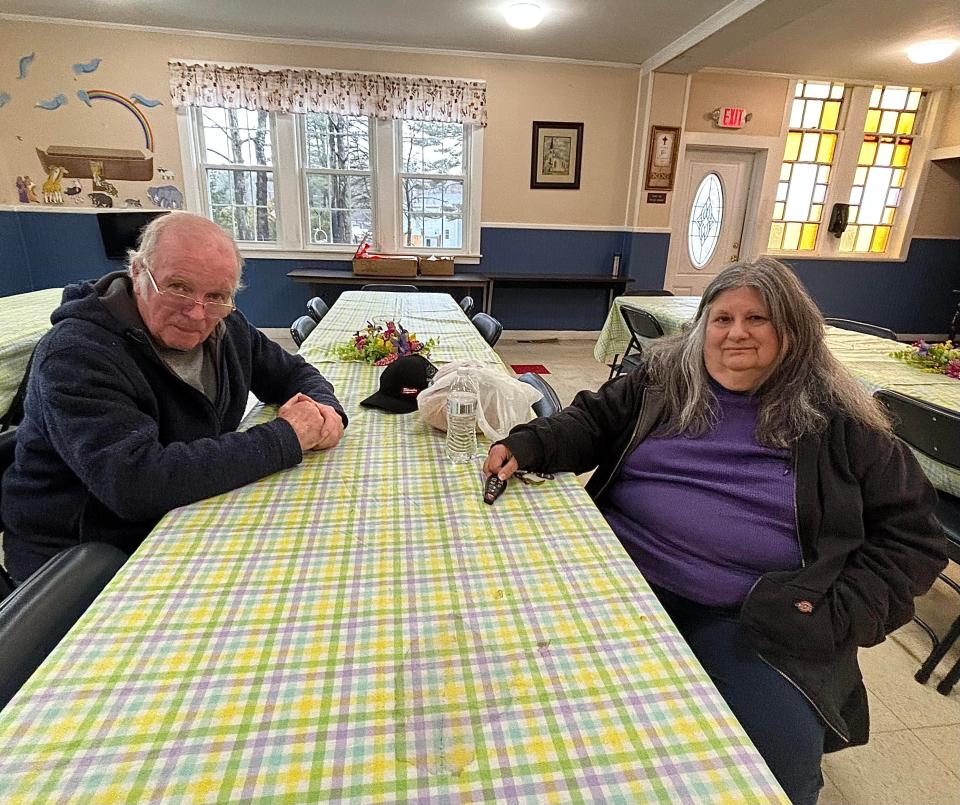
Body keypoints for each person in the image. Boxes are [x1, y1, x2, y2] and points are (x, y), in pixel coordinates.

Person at [484, 258, 946, 805]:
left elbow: (913, 540)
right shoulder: (663, 383)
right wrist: (529, 443)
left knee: (774, 779)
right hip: (616, 581)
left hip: (757, 620)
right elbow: (591, 421)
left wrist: (838, 615)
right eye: (721, 319)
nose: (737, 333)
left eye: (758, 319)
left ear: (793, 332)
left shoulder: (841, 422)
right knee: (532, 724)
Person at [2, 212, 347, 582]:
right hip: (84, 557)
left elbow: (293, 373)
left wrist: (323, 410)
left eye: (216, 296)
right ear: (137, 272)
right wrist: (287, 436)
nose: (197, 312)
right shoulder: (76, 354)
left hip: (182, 513)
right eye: (178, 288)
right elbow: (135, 484)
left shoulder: (227, 326)